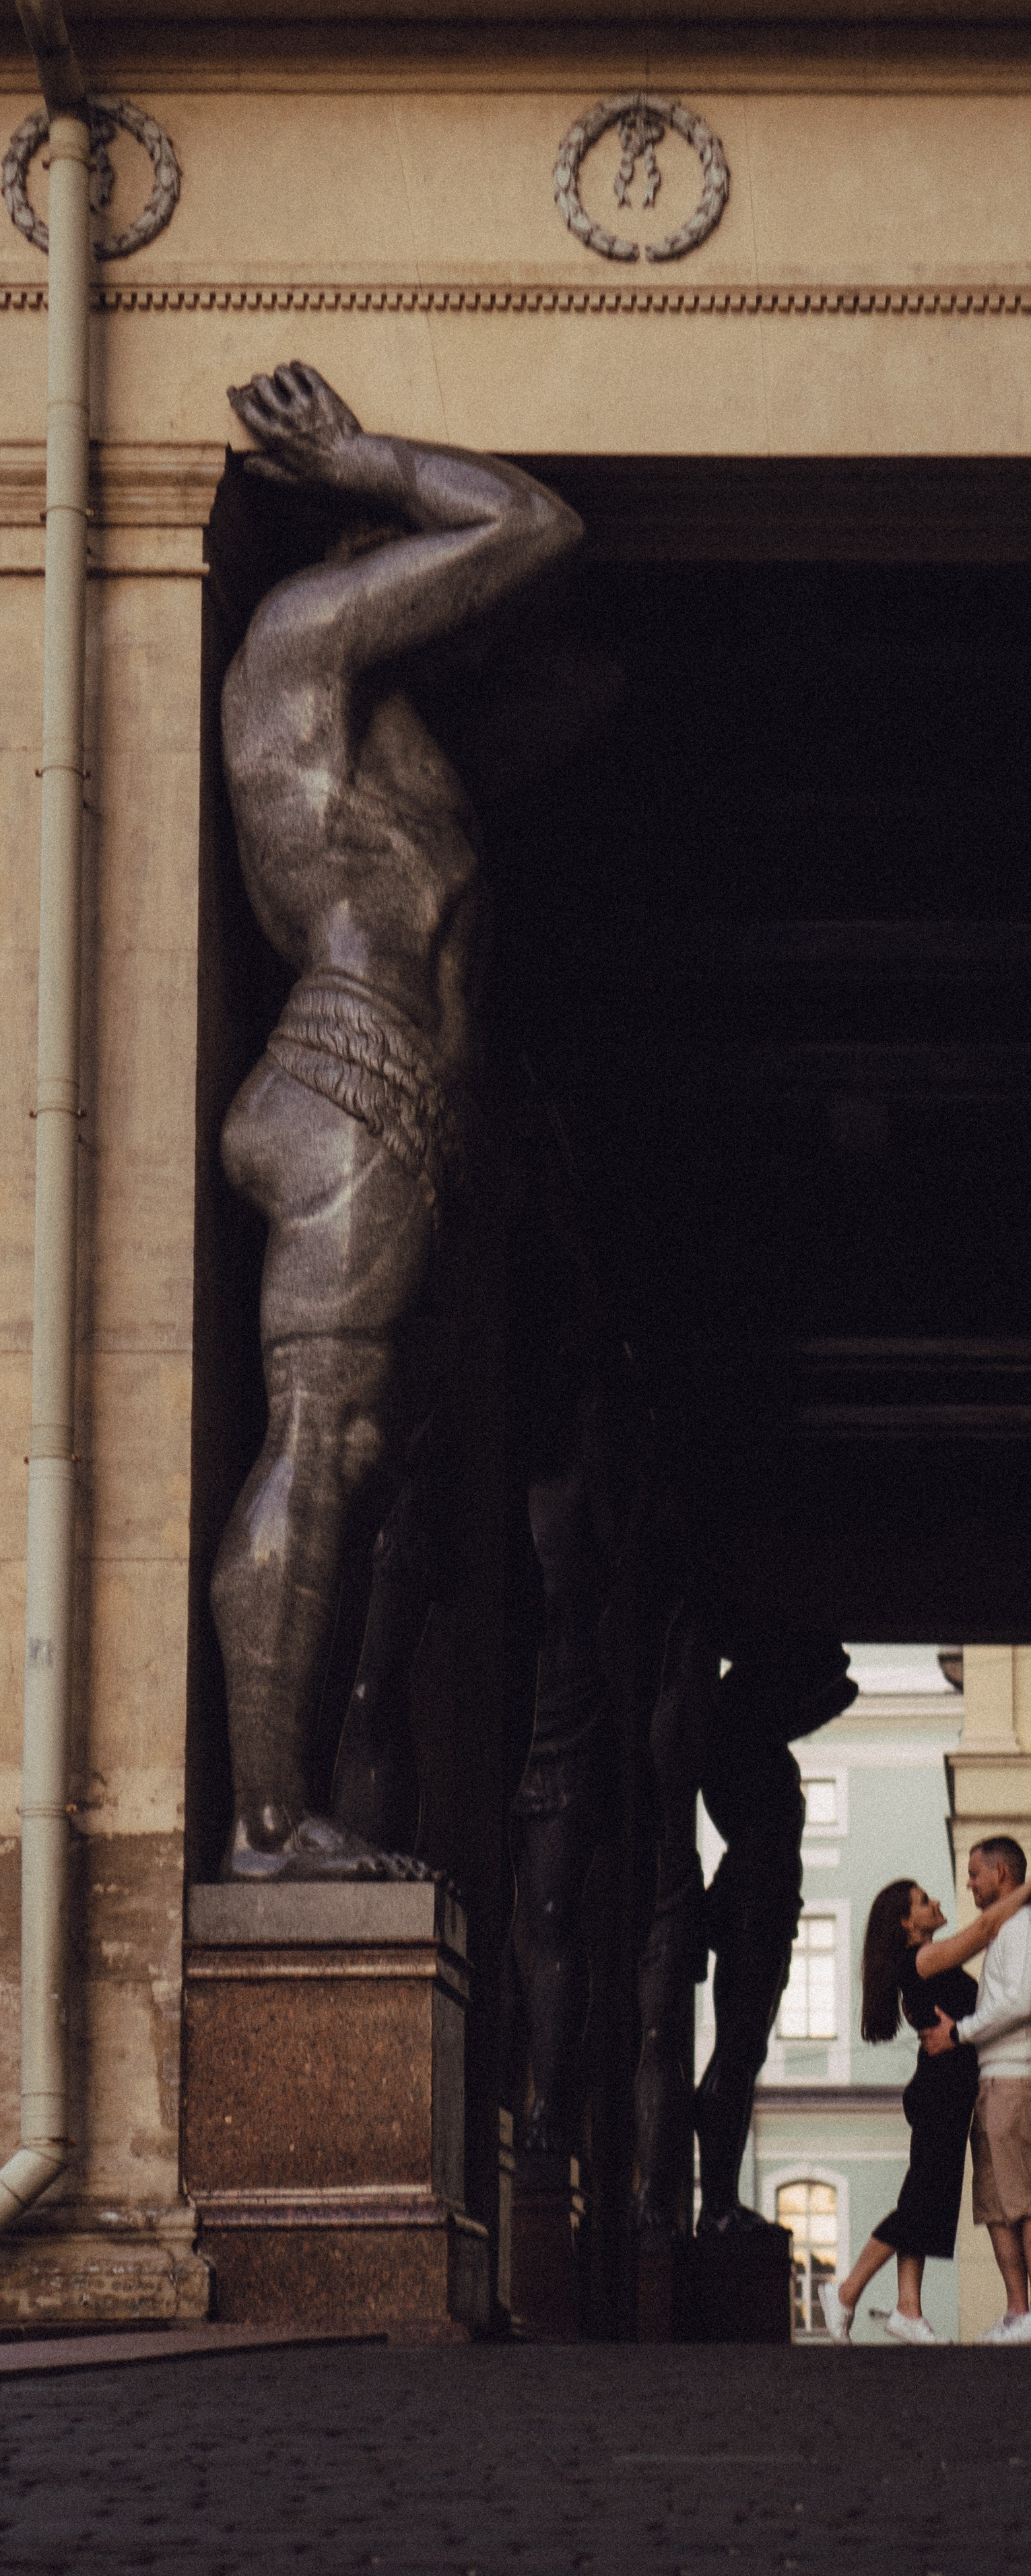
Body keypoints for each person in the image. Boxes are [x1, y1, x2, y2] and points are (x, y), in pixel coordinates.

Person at [213, 361, 591, 1880]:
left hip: (392, 1107)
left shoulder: (378, 717)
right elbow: (532, 523)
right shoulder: (304, 635)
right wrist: (371, 462)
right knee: (323, 1441)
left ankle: (280, 1805)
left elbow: (579, 687)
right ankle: (258, 1824)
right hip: (348, 1083)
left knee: (362, 1463)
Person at [820, 1859, 1031, 2346]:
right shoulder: (922, 1959)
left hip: (948, 2090)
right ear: (906, 1923)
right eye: (923, 1901)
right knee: (922, 2201)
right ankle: (847, 2291)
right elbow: (985, 1928)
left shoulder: (927, 1962)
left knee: (925, 2199)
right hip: (941, 2092)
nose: (937, 1902)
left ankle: (908, 2310)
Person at [921, 1835, 1031, 2345]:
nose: (969, 1883)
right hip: (996, 2075)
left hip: (1021, 2074)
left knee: (1026, 2197)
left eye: (975, 1874)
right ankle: (1017, 2312)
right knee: (995, 2202)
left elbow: (1020, 2004)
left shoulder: (1027, 1928)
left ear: (1001, 1876)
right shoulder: (1008, 1930)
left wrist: (959, 2032)